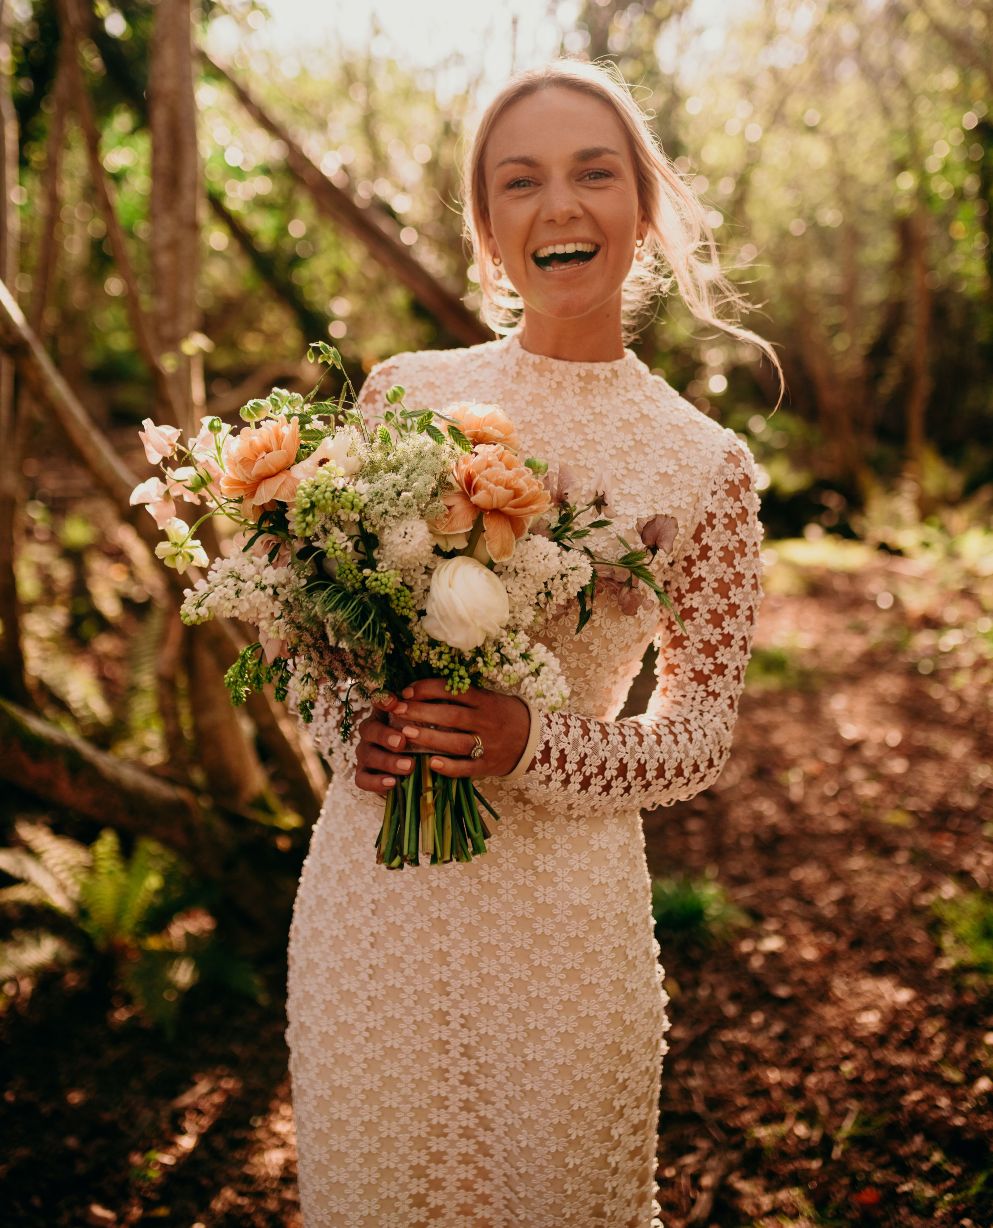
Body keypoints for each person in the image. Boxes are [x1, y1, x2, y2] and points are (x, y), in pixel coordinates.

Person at [285, 57, 784, 1228]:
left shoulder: (704, 464)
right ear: (488, 228)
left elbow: (700, 734)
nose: (560, 204)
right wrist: (345, 727)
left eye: (593, 172)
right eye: (522, 181)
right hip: (376, 905)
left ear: (642, 207)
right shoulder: (404, 391)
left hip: (566, 932)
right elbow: (313, 644)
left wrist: (531, 744)